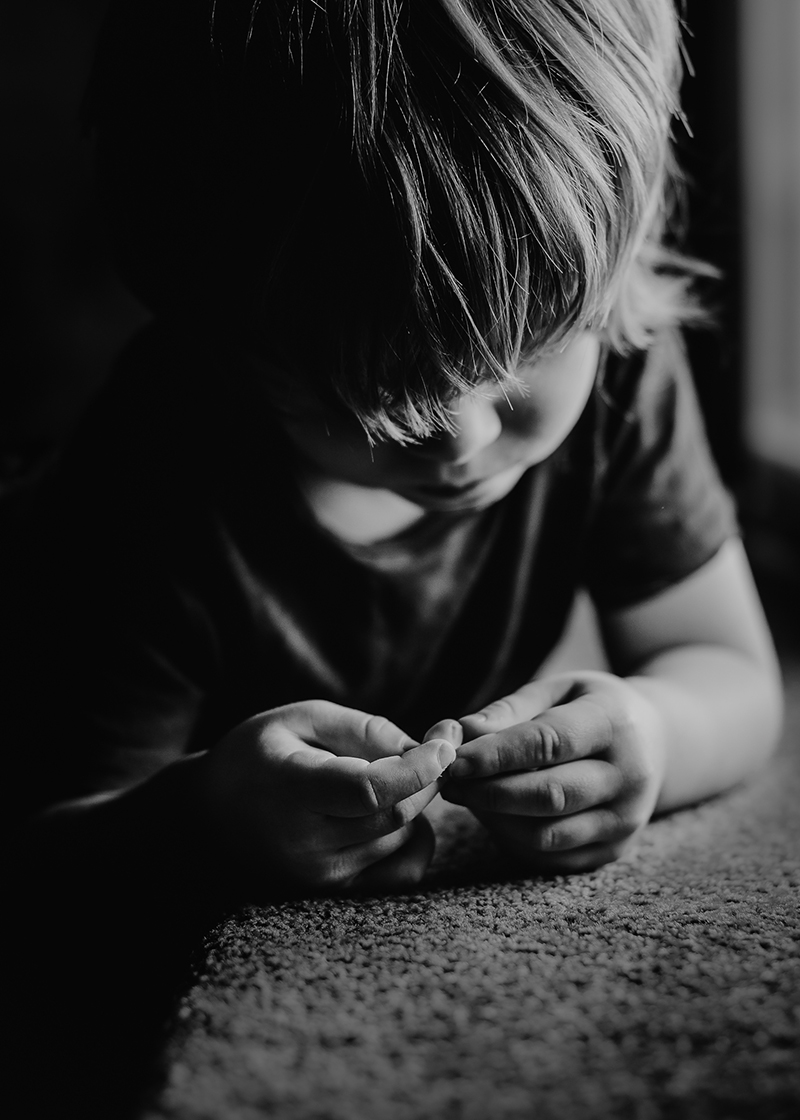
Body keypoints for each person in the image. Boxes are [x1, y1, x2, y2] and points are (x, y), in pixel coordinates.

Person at [8, 0, 783, 904]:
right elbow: (44, 846)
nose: (465, 442)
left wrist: (656, 729)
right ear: (226, 349)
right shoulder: (143, 480)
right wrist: (200, 817)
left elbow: (730, 671)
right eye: (371, 403)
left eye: (525, 357)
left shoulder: (618, 353)